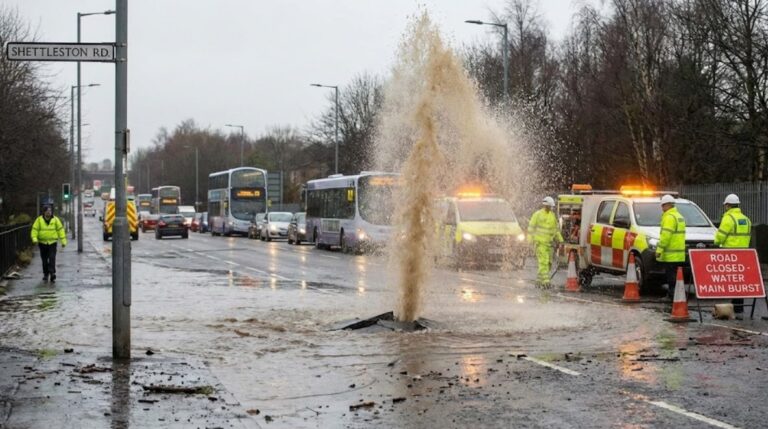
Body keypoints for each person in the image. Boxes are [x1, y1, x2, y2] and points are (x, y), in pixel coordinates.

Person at [714, 194, 751, 318]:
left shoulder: (728, 218)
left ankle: (730, 308)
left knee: (729, 281)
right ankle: (738, 308)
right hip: (743, 254)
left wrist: (716, 242)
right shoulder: (746, 219)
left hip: (729, 254)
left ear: (728, 205)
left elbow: (720, 236)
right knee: (739, 280)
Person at [528, 196, 563, 288]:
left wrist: (560, 240)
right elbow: (531, 228)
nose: (551, 208)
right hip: (540, 244)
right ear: (546, 205)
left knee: (549, 263)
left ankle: (539, 280)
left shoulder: (552, 216)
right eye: (550, 206)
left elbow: (556, 230)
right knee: (544, 262)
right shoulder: (538, 214)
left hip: (549, 244)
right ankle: (546, 282)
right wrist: (530, 240)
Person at [656, 194, 686, 298]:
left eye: (663, 206)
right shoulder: (679, 216)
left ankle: (671, 295)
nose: (662, 208)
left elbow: (665, 236)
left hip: (671, 254)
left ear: (667, 205)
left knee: (671, 276)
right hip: (679, 254)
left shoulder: (669, 217)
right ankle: (677, 295)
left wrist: (659, 249)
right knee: (677, 276)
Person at [30, 205, 67, 283]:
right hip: (42, 243)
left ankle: (52, 273)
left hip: (52, 242)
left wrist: (63, 241)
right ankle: (46, 274)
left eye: (50, 211)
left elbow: (60, 230)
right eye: (47, 211)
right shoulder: (39, 220)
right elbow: (34, 230)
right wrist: (34, 239)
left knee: (52, 258)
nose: (49, 212)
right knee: (44, 260)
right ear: (44, 212)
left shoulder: (55, 220)